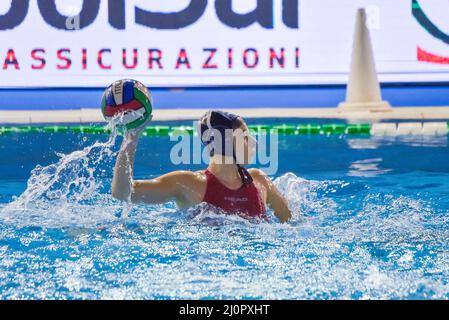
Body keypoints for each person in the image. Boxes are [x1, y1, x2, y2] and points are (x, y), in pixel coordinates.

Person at [112, 110, 292, 223]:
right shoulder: (188, 184)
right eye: (245, 136)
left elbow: (293, 225)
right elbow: (123, 192)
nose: (252, 142)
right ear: (227, 142)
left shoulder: (259, 181)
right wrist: (131, 137)